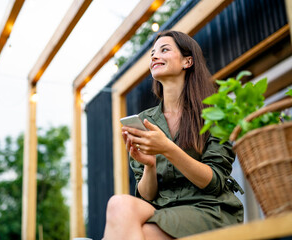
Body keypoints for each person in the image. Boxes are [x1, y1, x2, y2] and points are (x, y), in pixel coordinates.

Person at [103, 30, 244, 239]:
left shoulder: (216, 112)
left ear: (187, 62)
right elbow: (148, 195)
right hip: (162, 209)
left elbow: (214, 182)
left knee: (139, 233)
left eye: (164, 50)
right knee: (118, 204)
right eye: (152, 53)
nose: (154, 56)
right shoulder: (145, 120)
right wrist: (149, 165)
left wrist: (168, 149)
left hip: (208, 208)